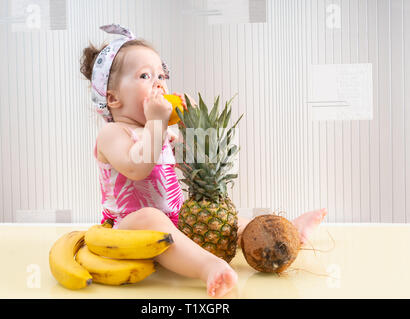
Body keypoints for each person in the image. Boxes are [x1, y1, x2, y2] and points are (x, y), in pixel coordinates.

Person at [80, 24, 327, 298]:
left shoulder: (162, 132)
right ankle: (208, 267)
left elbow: (197, 167)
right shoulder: (113, 134)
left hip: (177, 218)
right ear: (112, 99)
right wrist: (157, 122)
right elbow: (137, 168)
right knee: (150, 217)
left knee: (233, 222)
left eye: (162, 74)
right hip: (128, 226)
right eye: (145, 75)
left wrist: (192, 127)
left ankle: (286, 235)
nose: (159, 83)